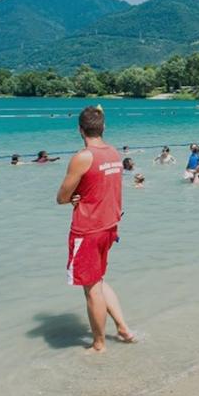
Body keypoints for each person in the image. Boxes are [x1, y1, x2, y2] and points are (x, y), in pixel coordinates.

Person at [55, 105, 135, 353]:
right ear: (103, 127)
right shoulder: (113, 152)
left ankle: (99, 344)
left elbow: (61, 197)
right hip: (109, 226)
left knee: (91, 289)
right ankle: (123, 328)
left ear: (80, 129)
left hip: (88, 230)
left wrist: (73, 198)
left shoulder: (83, 157)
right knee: (98, 280)